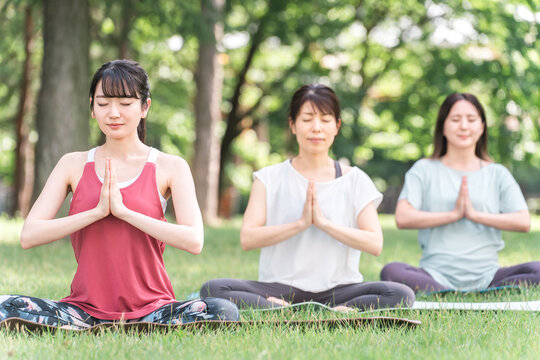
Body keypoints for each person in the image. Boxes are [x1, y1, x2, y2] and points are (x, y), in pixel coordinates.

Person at [0, 59, 238, 329]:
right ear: (92, 107)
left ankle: (131, 327)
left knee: (221, 309)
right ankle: (103, 327)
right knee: (6, 306)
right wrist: (97, 213)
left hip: (154, 310)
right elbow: (29, 235)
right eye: (103, 104)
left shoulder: (170, 167)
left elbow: (194, 241)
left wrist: (124, 212)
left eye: (125, 104)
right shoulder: (72, 164)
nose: (113, 113)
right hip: (83, 311)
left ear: (145, 107)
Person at [200, 84, 415, 311]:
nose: (316, 128)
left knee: (401, 294)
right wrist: (301, 224)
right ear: (293, 125)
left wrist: (323, 224)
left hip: (340, 289)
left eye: (325, 119)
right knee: (214, 289)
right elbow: (248, 238)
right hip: (280, 288)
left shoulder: (356, 180)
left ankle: (327, 309)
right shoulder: (268, 178)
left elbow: (374, 243)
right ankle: (280, 307)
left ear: (337, 126)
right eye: (307, 119)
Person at [380, 93, 540, 292]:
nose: (464, 126)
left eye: (471, 120)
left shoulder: (497, 173)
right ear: (443, 127)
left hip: (488, 275)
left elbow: (523, 221)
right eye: (455, 119)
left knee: (537, 269)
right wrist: (453, 215)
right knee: (391, 271)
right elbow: (403, 217)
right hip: (435, 274)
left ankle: (479, 289)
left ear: (481, 127)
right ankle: (446, 290)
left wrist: (474, 215)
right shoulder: (424, 169)